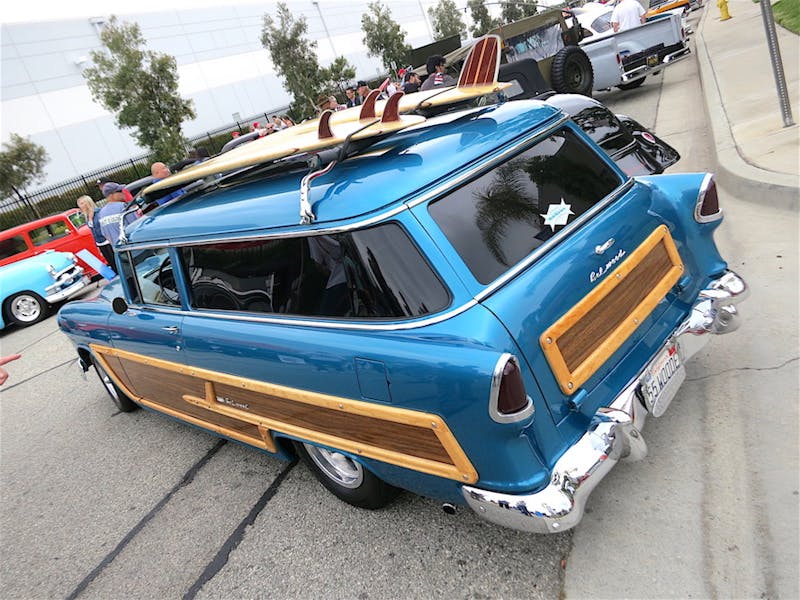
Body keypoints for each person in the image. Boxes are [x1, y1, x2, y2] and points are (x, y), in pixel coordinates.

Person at [76, 195, 115, 269]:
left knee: (114, 259)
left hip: (107, 240)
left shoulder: (99, 212)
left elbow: (105, 226)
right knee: (110, 262)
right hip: (99, 242)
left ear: (87, 203)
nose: (80, 206)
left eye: (82, 203)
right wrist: (97, 245)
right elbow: (92, 231)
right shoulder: (87, 217)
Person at [98, 183, 137, 247]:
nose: (123, 192)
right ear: (111, 195)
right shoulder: (123, 207)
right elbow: (136, 225)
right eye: (119, 191)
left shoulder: (101, 213)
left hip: (121, 251)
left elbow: (106, 235)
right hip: (136, 248)